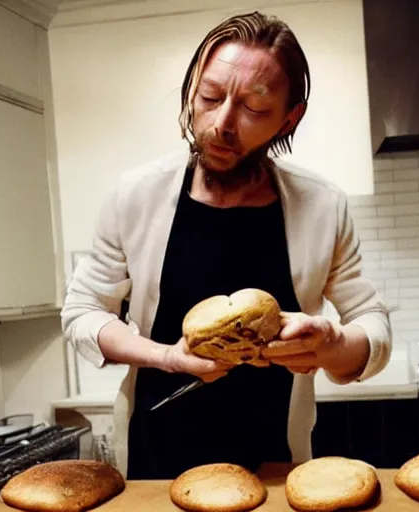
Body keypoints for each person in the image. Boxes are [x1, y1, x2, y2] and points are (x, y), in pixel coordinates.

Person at [61, 11, 392, 480]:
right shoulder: (135, 196)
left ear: (287, 119)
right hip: (155, 464)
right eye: (210, 96)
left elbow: (373, 327)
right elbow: (81, 313)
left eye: (254, 109)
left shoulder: (321, 207)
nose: (221, 123)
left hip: (277, 466)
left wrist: (332, 343)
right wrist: (165, 356)